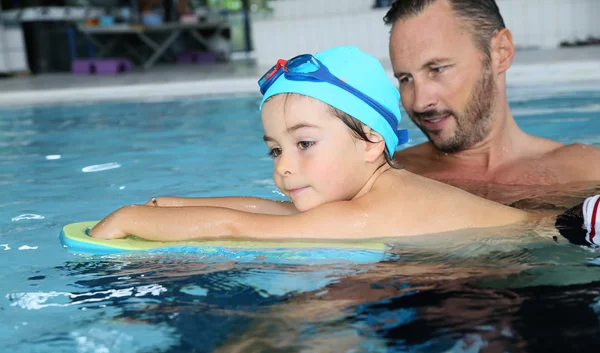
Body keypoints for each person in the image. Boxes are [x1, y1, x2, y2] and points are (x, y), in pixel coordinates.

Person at [89, 46, 533, 242]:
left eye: (304, 143)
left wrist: (130, 218)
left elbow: (240, 229)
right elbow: (279, 211)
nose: (283, 167)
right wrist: (176, 205)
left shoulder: (377, 210)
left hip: (571, 237)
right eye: (276, 149)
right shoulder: (366, 193)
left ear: (370, 142)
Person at [384, 0, 600, 206]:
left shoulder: (588, 171)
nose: (420, 103)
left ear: (501, 53)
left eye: (437, 69)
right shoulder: (388, 175)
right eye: (406, 79)